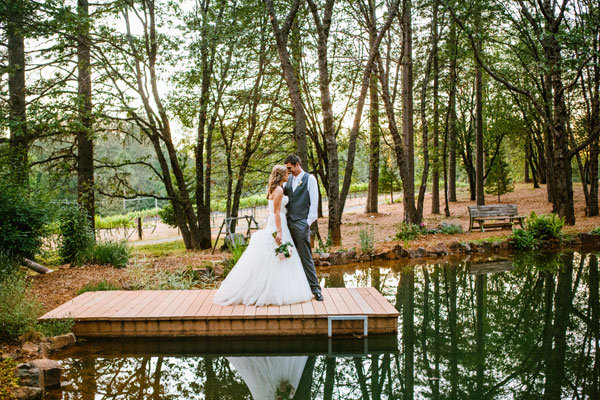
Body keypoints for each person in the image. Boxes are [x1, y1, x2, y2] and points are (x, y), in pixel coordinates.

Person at [213, 165, 313, 306]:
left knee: (277, 255)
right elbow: (277, 212)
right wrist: (279, 231)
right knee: (279, 254)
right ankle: (275, 291)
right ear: (281, 175)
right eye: (286, 173)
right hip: (279, 223)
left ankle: (277, 288)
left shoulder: (275, 189)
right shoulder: (278, 190)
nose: (288, 175)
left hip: (276, 222)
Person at [283, 155, 324, 301]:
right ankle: (292, 289)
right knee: (286, 256)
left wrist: (307, 223)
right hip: (286, 223)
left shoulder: (310, 179)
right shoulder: (287, 180)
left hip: (301, 222)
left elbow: (314, 203)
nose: (287, 171)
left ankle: (316, 289)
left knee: (305, 256)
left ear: (297, 164)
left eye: (289, 168)